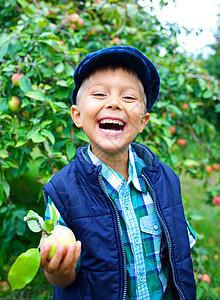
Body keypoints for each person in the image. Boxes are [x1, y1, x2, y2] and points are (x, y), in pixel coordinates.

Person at [40, 46, 196, 300]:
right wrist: (58, 268)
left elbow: (179, 253)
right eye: (100, 93)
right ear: (77, 116)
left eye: (129, 98)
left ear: (143, 122)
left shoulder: (166, 180)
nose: (113, 103)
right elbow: (63, 279)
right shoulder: (62, 191)